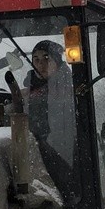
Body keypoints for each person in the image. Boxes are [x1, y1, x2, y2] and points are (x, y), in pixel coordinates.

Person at [22, 40, 77, 200]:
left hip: (64, 157)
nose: (41, 64)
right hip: (35, 154)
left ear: (57, 61)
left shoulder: (69, 90)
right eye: (36, 59)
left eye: (46, 58)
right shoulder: (29, 92)